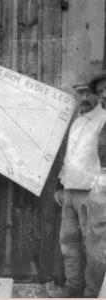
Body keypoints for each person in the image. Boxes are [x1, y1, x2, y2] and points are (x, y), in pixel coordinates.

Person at [53, 75, 106, 298]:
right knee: (69, 243)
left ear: (97, 95)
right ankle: (73, 287)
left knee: (94, 248)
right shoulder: (77, 121)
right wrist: (60, 185)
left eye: (88, 93)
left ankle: (92, 293)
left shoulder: (103, 119)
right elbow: (70, 156)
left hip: (92, 192)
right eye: (79, 93)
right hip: (70, 191)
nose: (83, 98)